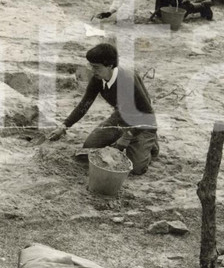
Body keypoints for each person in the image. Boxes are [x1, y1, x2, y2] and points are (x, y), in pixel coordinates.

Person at [47, 42, 159, 175]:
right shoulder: (97, 79)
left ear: (110, 65)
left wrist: (127, 137)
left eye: (96, 67)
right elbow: (85, 104)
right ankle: (134, 142)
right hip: (120, 118)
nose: (92, 71)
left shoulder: (128, 79)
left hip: (143, 123)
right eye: (91, 66)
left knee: (135, 168)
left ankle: (151, 144)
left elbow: (147, 113)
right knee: (90, 147)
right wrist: (64, 126)